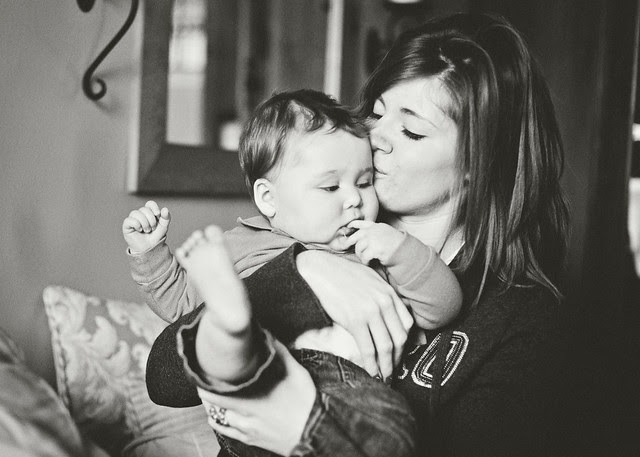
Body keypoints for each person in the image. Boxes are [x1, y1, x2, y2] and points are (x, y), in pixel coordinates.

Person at [145, 12, 571, 457]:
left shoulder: (520, 318)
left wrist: (304, 429)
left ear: (478, 164)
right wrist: (304, 271)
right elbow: (165, 378)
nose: (376, 136)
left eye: (411, 131)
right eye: (376, 113)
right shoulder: (319, 231)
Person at [124, 90, 463, 456]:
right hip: (259, 387)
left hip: (344, 393)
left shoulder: (373, 250)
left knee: (392, 431)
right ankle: (231, 330)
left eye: (364, 182)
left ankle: (232, 334)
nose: (354, 199)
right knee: (225, 349)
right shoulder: (242, 245)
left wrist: (402, 250)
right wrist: (150, 253)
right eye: (331, 186)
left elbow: (442, 308)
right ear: (269, 198)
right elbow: (182, 304)